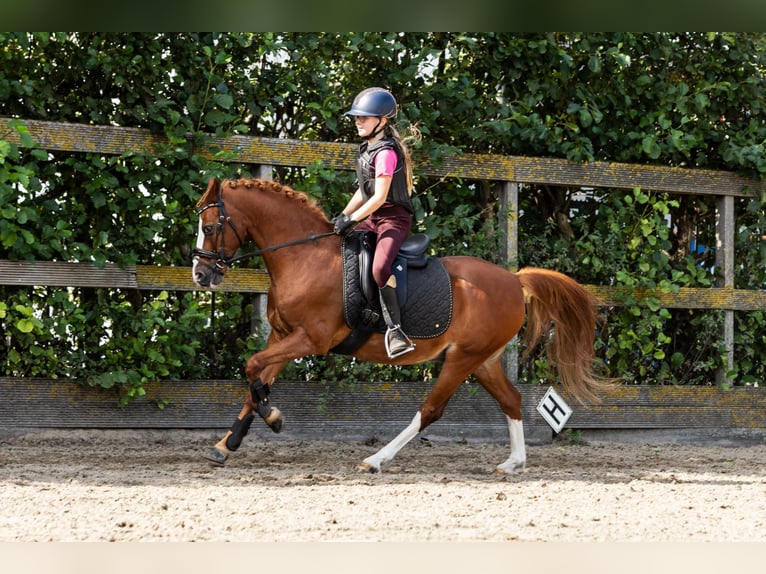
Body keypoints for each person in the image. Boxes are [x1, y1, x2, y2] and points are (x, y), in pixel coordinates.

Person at [331, 87, 419, 359]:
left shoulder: (386, 153)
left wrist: (352, 219)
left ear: (382, 121)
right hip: (373, 217)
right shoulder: (367, 149)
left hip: (393, 219)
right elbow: (364, 191)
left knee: (380, 267)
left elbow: (380, 197)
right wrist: (343, 216)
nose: (358, 121)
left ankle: (395, 329)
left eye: (364, 117)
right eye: (357, 117)